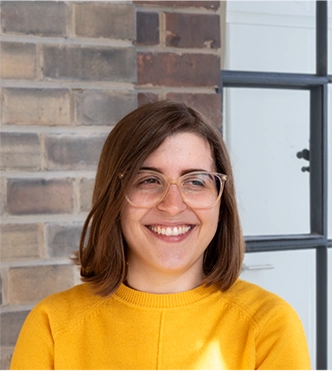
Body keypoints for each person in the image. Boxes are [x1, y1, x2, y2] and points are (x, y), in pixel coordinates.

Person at [10, 101, 312, 370]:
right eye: (149, 180)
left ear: (221, 199)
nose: (172, 204)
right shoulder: (52, 325)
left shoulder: (269, 325)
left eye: (195, 181)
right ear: (113, 195)